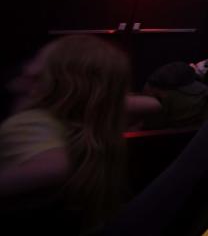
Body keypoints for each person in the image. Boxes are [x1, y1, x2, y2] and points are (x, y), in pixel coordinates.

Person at [0, 35, 131, 231]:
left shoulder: (31, 122)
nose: (28, 68)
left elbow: (52, 167)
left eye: (38, 60)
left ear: (54, 77)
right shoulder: (95, 133)